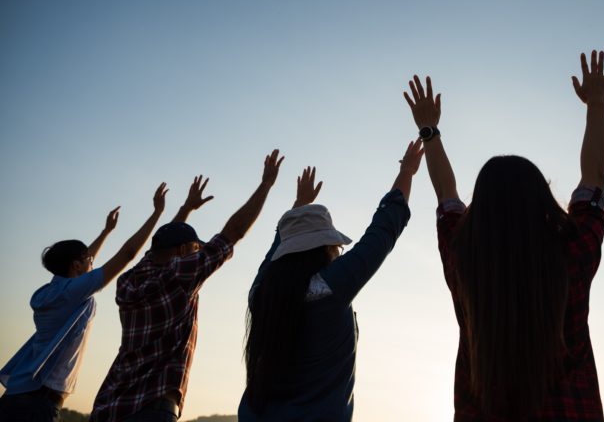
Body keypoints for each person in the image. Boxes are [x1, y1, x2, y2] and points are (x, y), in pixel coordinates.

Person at [403, 50, 604, 421]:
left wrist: (429, 131)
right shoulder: (573, 253)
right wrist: (597, 104)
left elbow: (446, 195)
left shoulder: (463, 261)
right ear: (543, 202)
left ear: (480, 211)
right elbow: (594, 179)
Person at [90, 154, 284, 422]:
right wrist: (266, 185)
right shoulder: (182, 273)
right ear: (182, 251)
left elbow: (158, 245)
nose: (198, 254)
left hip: (110, 405)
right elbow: (234, 232)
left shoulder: (130, 279)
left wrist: (185, 209)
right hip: (152, 408)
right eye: (195, 249)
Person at [239, 141, 423, 422]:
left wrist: (298, 210)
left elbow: (275, 254)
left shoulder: (261, 292)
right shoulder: (331, 287)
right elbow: (383, 230)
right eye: (335, 247)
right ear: (325, 248)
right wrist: (407, 171)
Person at [0, 183, 170, 422]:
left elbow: (82, 264)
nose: (92, 261)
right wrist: (157, 214)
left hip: (15, 396)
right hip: (38, 404)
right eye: (87, 259)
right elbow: (127, 254)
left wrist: (106, 231)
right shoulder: (72, 292)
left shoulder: (51, 291)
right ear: (76, 265)